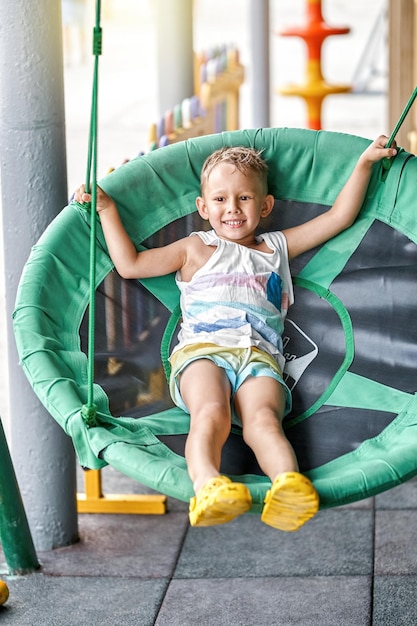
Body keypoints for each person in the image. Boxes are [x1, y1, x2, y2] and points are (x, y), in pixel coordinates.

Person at [74, 134, 397, 531]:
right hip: (202, 353)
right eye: (221, 199)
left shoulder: (275, 248)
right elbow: (131, 265)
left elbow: (338, 218)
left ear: (265, 206)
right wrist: (106, 209)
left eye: (244, 198)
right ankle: (208, 484)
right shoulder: (195, 249)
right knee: (211, 413)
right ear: (203, 207)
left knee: (264, 419)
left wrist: (365, 163)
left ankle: (288, 486)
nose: (232, 208)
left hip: (259, 358)